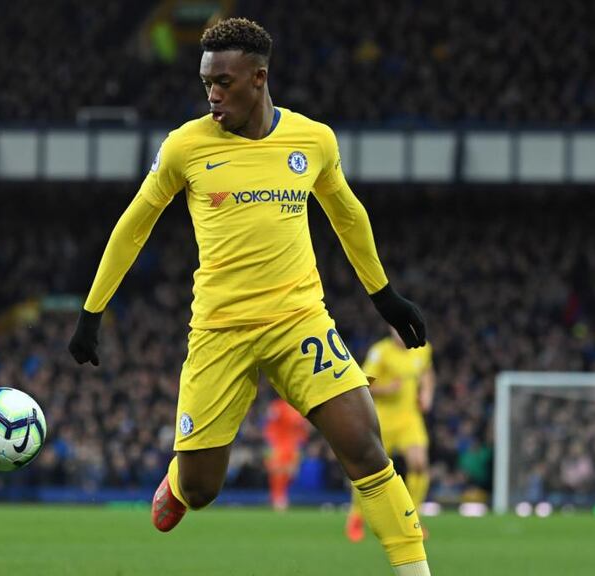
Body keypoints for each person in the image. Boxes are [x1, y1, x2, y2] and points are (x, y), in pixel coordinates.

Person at [68, 18, 431, 575]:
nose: (212, 94)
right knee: (203, 486)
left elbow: (347, 216)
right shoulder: (185, 146)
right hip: (220, 330)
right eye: (206, 82)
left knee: (365, 445)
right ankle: (179, 483)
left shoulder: (313, 140)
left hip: (299, 321)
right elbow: (133, 225)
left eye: (224, 83)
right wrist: (92, 312)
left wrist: (385, 297)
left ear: (259, 78)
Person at [346, 329, 435, 542]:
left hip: (410, 419)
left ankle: (412, 518)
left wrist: (426, 393)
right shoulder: (380, 352)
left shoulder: (422, 348)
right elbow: (364, 382)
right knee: (368, 470)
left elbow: (427, 372)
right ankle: (356, 516)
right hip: (382, 419)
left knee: (420, 465)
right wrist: (387, 389)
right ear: (390, 329)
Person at [263, 397, 310, 511]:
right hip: (278, 445)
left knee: (290, 473)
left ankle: (280, 496)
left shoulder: (298, 407)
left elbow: (302, 427)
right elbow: (270, 424)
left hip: (292, 446)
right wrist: (270, 441)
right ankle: (277, 497)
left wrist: (302, 439)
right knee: (277, 471)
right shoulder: (277, 406)